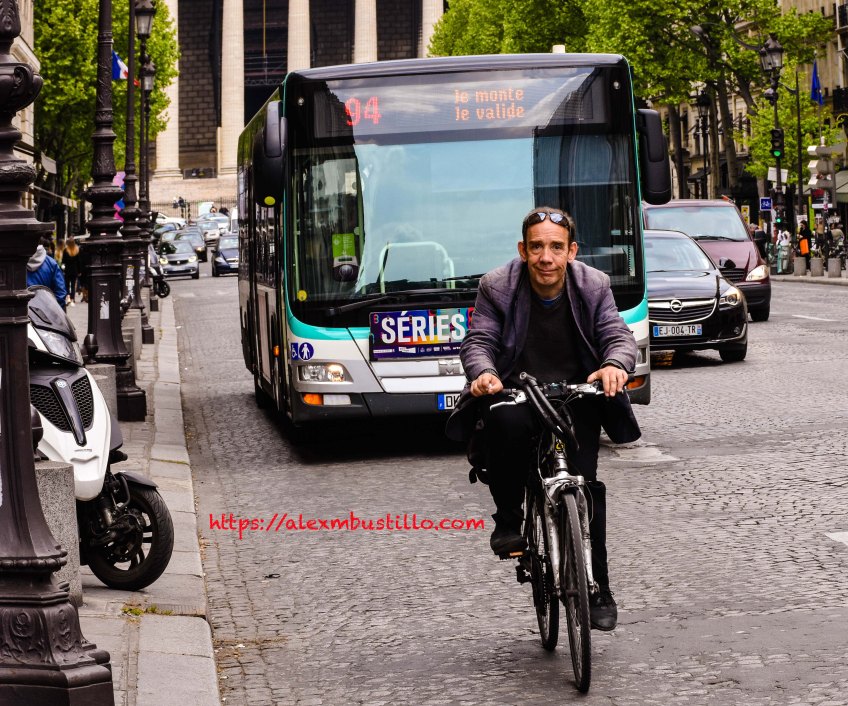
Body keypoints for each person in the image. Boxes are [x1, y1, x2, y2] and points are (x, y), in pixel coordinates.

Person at [446, 206, 640, 632]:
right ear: (523, 250)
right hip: (518, 392)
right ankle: (509, 519)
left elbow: (616, 334)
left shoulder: (594, 285)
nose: (546, 257)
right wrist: (484, 374)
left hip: (575, 396)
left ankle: (599, 588)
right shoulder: (497, 286)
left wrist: (613, 364)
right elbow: (479, 340)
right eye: (536, 247)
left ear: (571, 251)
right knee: (503, 425)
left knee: (586, 488)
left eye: (555, 247)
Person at [27, 240, 67, 309]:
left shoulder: (16, 264)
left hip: (24, 313)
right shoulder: (51, 263)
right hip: (46, 312)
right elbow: (61, 292)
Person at [62, 236, 81, 306]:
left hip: (67, 270)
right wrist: (79, 271)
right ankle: (73, 299)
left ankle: (68, 298)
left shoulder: (65, 250)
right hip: (74, 270)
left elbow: (63, 261)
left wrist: (63, 269)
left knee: (66, 285)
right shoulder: (77, 250)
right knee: (73, 286)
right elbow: (79, 261)